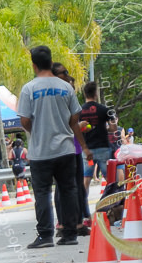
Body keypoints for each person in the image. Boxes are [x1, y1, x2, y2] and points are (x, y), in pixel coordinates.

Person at [17, 45, 90, 249]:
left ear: (34, 65)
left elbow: (24, 120)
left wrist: (38, 130)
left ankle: (46, 235)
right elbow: (76, 116)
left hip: (41, 151)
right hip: (65, 149)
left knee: (42, 193)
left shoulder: (29, 88)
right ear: (51, 62)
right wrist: (63, 126)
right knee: (68, 190)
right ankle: (69, 233)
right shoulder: (65, 87)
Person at [52, 63, 90, 236]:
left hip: (73, 148)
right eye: (63, 74)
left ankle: (78, 222)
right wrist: (78, 127)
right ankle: (63, 224)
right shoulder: (54, 99)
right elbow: (65, 123)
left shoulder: (67, 97)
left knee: (77, 188)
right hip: (62, 148)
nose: (67, 77)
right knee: (64, 188)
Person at [79, 81, 117, 190]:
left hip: (87, 150)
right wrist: (103, 128)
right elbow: (114, 128)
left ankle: (83, 204)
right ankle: (113, 202)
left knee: (86, 178)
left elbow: (76, 129)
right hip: (103, 148)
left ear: (85, 94)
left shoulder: (79, 111)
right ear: (96, 94)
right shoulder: (104, 109)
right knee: (109, 178)